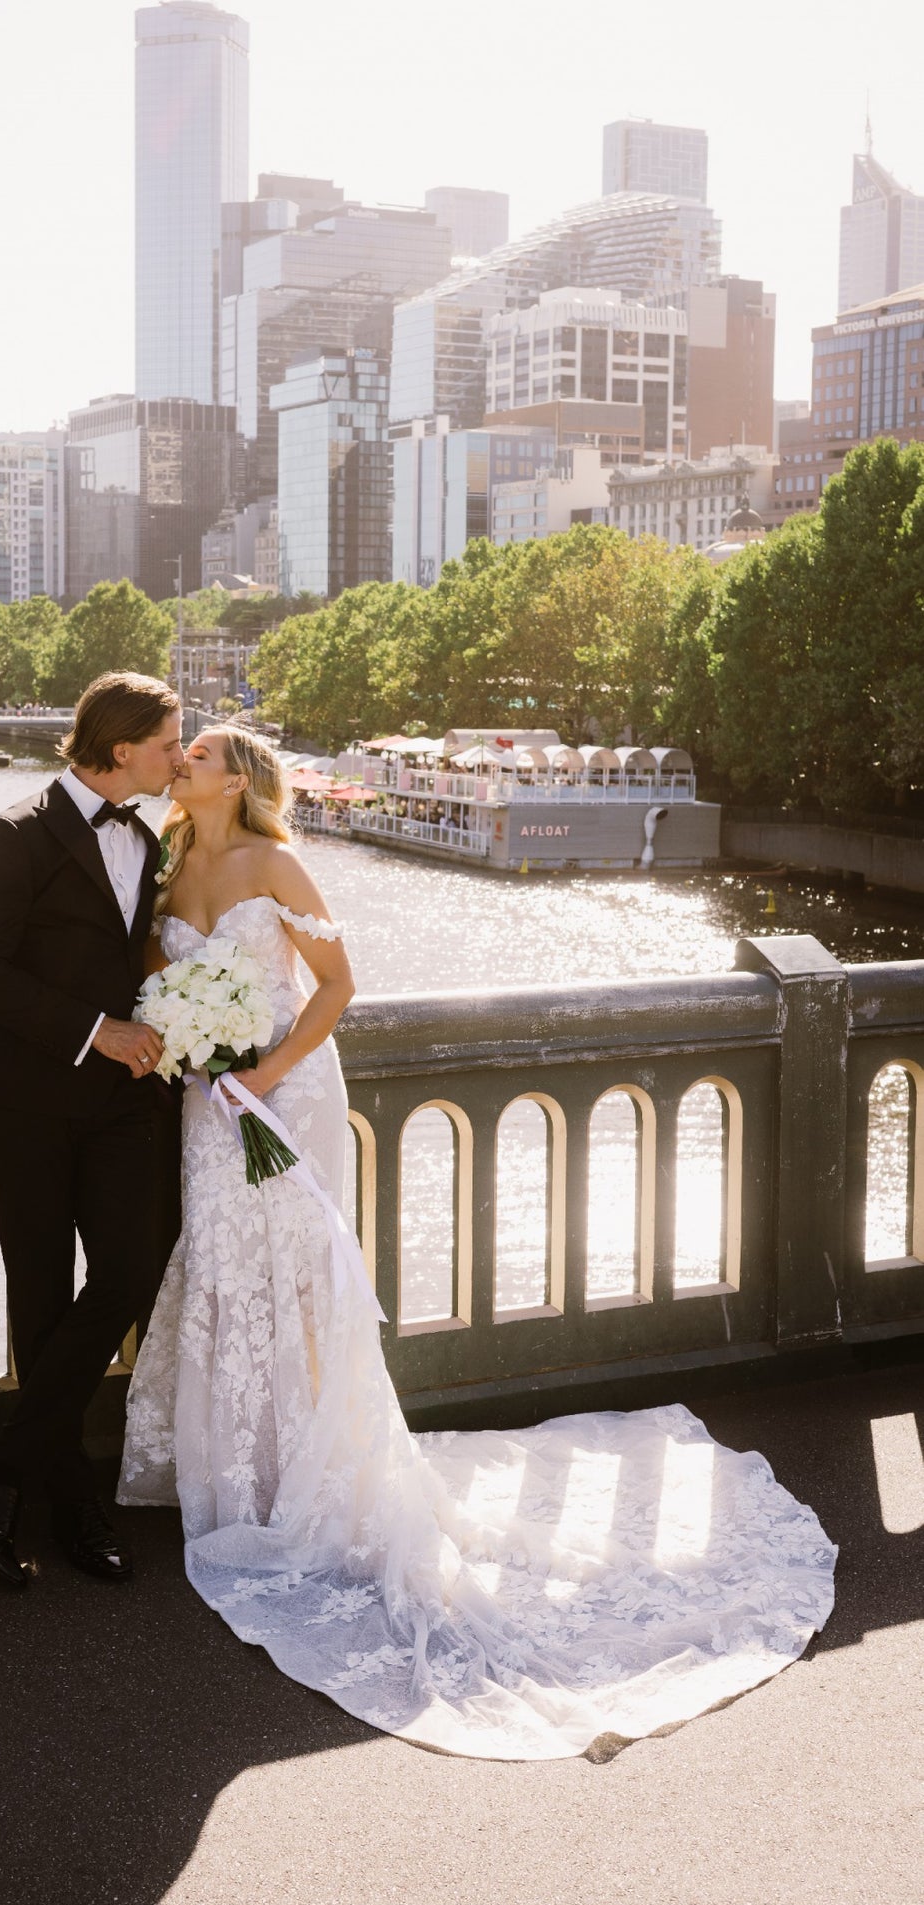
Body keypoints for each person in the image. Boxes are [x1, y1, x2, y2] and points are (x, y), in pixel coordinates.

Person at [119, 725, 837, 1761]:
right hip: (208, 1105)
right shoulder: (173, 861)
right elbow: (161, 985)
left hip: (277, 1096)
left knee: (305, 1280)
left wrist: (259, 1074)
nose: (175, 764)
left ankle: (324, 1478)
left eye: (192, 757)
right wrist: (193, 1050)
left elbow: (334, 986)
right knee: (233, 1272)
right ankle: (249, 1472)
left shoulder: (275, 860)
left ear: (234, 777)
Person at [0, 671, 184, 1587]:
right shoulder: (13, 833)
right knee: (37, 1293)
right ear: (120, 750)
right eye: (167, 743)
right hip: (25, 1095)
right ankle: (72, 1497)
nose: (179, 756)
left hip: (118, 1103)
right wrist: (95, 1032)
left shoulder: (149, 836)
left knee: (127, 1271)